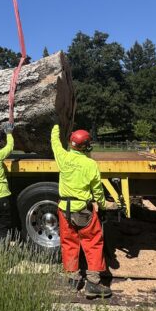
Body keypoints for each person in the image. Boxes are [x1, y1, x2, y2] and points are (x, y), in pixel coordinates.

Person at [50, 124, 112, 299]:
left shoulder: (62, 157)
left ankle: (73, 280)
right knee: (92, 243)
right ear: (86, 146)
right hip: (83, 210)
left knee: (69, 243)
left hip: (64, 210)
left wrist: (56, 124)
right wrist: (103, 204)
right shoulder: (90, 164)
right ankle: (93, 283)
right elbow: (97, 191)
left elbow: (54, 142)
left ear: (70, 143)